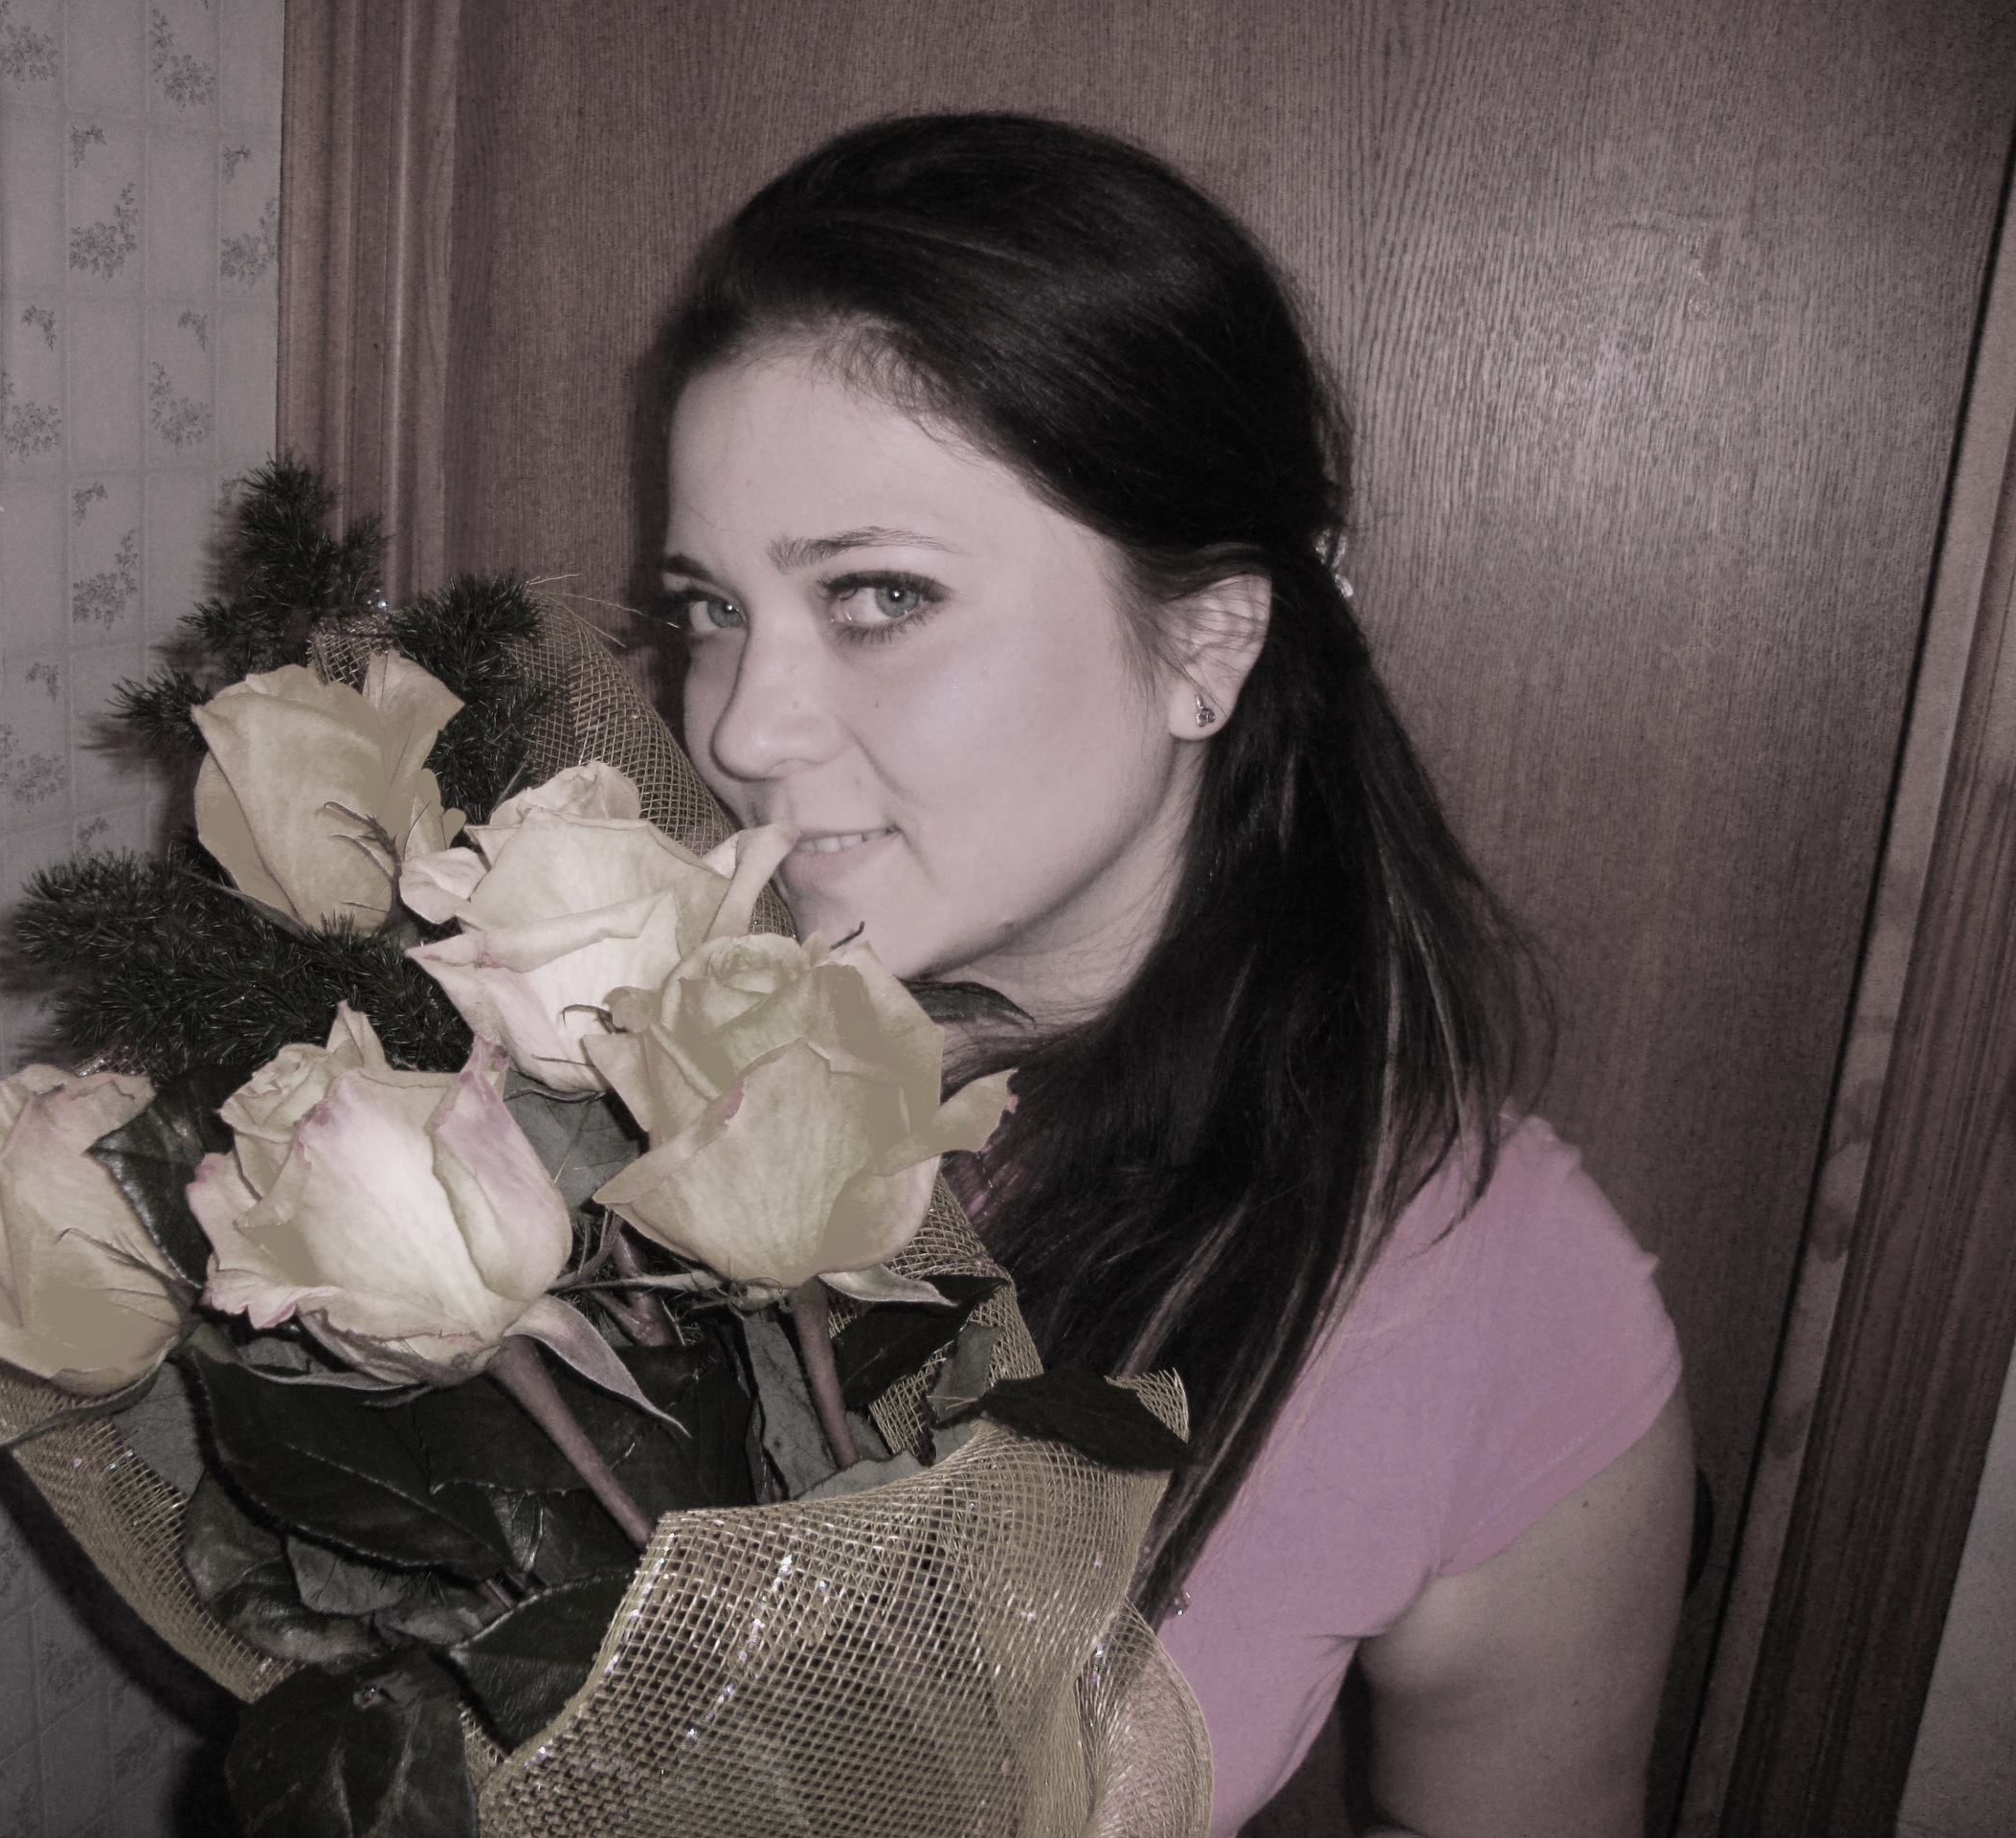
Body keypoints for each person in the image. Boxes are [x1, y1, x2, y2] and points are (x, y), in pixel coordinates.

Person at [647, 114, 1691, 1835]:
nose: (745, 728)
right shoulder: (600, 1045)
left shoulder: (1491, 1303)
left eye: (880, 595)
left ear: (1206, 636)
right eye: (710, 606)